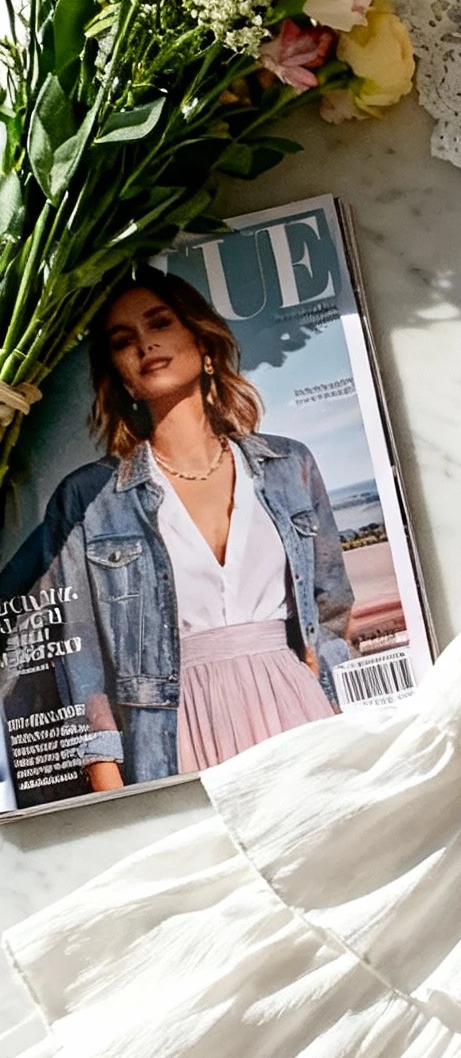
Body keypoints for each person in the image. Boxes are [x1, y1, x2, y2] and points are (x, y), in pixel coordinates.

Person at [47, 266, 353, 788]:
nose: (145, 344)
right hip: (172, 732)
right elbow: (82, 663)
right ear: (120, 375)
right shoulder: (88, 498)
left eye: (159, 323)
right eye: (124, 340)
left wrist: (332, 702)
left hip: (301, 716)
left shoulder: (290, 465)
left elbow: (330, 610)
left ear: (202, 343)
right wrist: (111, 790)